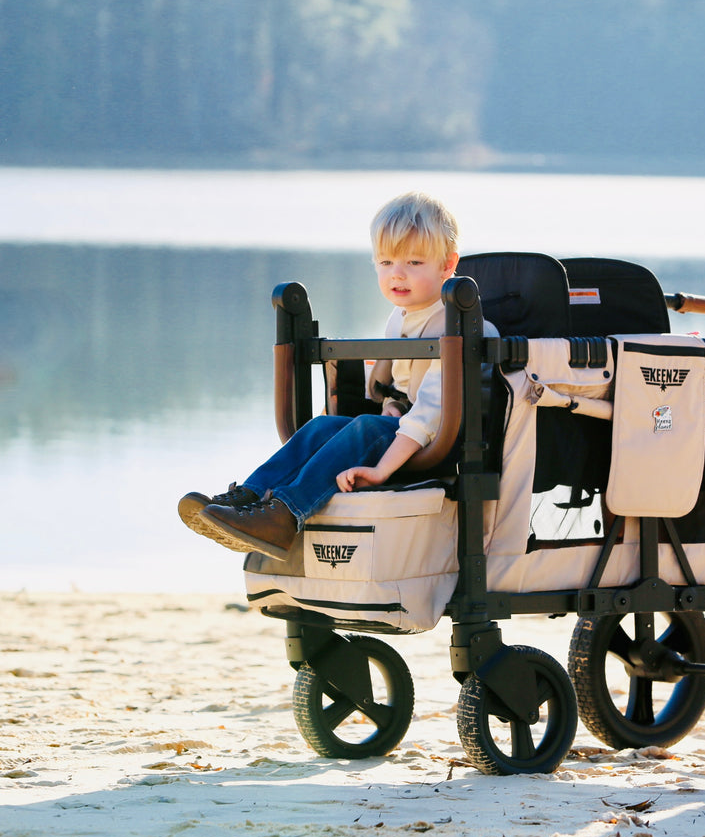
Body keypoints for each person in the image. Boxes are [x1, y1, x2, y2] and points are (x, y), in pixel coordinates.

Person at [178, 191, 494, 561]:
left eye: (414, 261)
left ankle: (285, 514)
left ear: (447, 265)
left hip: (447, 439)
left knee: (364, 427)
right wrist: (392, 404)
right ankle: (252, 497)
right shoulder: (401, 317)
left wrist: (380, 471)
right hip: (409, 429)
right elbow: (400, 386)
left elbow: (431, 413)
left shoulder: (458, 323)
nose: (398, 273)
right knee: (321, 426)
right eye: (386, 261)